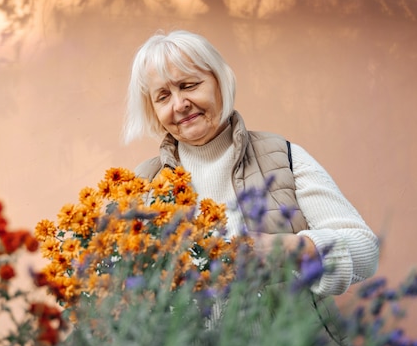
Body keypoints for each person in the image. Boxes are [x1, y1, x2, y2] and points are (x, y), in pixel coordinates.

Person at [123, 30, 379, 299]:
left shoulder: (280, 155)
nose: (179, 104)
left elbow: (365, 251)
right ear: (153, 109)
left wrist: (290, 249)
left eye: (189, 85)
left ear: (219, 82)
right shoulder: (141, 184)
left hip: (284, 341)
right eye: (163, 96)